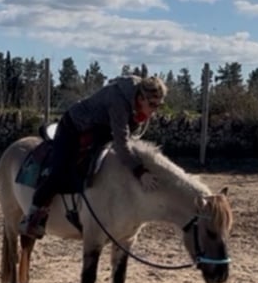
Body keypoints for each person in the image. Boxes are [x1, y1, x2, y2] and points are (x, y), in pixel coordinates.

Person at [19, 74, 168, 239]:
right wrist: (139, 172)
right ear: (140, 98)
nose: (154, 111)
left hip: (99, 129)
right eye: (152, 105)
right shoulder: (119, 102)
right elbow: (122, 143)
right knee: (59, 171)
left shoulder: (137, 102)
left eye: (159, 106)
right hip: (73, 127)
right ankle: (34, 215)